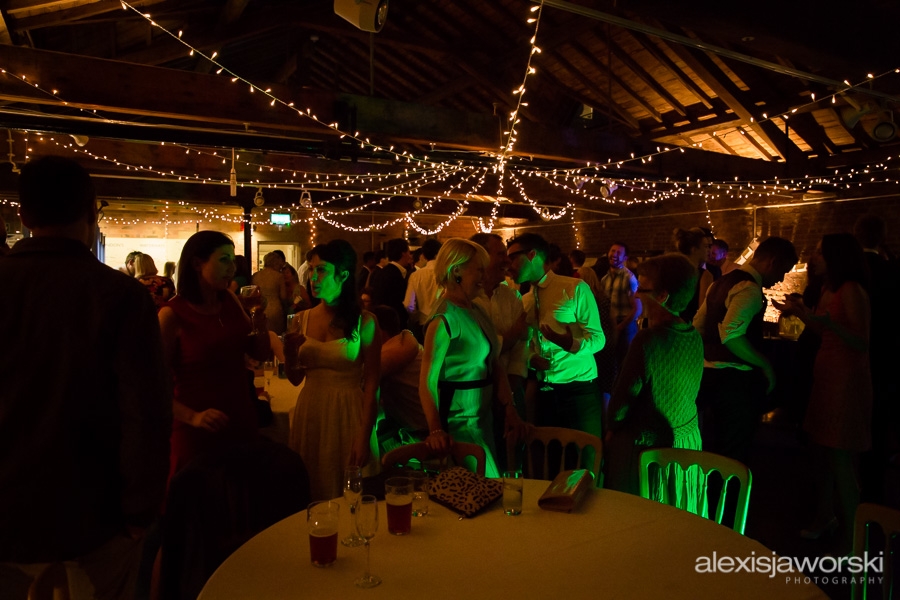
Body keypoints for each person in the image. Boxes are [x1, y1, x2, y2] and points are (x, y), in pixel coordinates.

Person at [0, 156, 171, 599]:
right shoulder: (120, 295)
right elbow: (146, 411)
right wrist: (140, 511)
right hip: (92, 518)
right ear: (91, 213)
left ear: (24, 215)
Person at [775, 234, 872, 550]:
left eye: (819, 252)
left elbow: (861, 341)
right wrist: (802, 313)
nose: (813, 257)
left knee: (840, 455)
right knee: (821, 452)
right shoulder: (828, 288)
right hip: (826, 374)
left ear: (836, 256)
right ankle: (825, 516)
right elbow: (821, 330)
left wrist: (826, 323)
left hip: (846, 380)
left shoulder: (851, 289)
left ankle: (853, 538)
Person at [158, 231, 271, 480]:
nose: (232, 268)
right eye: (223, 260)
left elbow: (260, 353)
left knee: (242, 494)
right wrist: (193, 417)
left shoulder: (230, 300)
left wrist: (260, 320)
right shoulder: (172, 314)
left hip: (240, 418)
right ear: (197, 264)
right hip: (197, 428)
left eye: (232, 259)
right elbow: (152, 384)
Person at [419, 238, 525, 478]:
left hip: (483, 418)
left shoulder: (476, 310)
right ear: (456, 270)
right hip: (459, 423)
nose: (483, 276)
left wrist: (509, 408)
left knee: (490, 484)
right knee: (487, 483)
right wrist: (435, 430)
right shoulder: (443, 319)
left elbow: (494, 363)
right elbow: (427, 382)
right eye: (478, 270)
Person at [285, 240, 381, 501]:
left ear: (343, 274)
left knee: (349, 493)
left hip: (348, 411)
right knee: (312, 488)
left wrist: (364, 435)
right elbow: (295, 379)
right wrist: (290, 353)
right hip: (311, 409)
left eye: (322, 270)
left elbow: (373, 382)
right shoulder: (301, 319)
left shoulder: (364, 321)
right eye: (311, 269)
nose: (313, 277)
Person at [605, 253, 703, 505]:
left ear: (662, 296)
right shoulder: (693, 335)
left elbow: (621, 403)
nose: (635, 295)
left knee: (642, 513)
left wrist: (612, 429)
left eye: (641, 288)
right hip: (686, 441)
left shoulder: (647, 340)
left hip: (650, 449)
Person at [693, 236, 798, 463]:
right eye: (783, 271)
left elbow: (698, 327)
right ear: (772, 262)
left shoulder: (719, 283)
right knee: (733, 453)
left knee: (711, 448)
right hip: (735, 382)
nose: (781, 279)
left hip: (707, 375)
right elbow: (731, 335)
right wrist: (765, 364)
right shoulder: (749, 288)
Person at [507, 233, 605, 444]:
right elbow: (527, 343)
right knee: (550, 456)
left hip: (579, 389)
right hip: (544, 392)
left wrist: (570, 344)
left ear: (532, 255)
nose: (509, 265)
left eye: (513, 258)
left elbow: (598, 339)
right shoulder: (524, 299)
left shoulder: (574, 288)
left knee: (586, 454)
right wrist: (531, 357)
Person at [370, 305, 427, 455]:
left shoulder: (388, 353)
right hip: (428, 424)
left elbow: (360, 380)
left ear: (378, 331)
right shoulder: (404, 341)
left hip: (421, 433)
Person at [600, 242, 641, 370]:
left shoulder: (629, 278)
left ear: (625, 258)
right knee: (611, 364)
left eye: (619, 253)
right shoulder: (604, 279)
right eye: (612, 251)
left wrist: (619, 327)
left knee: (625, 364)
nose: (614, 254)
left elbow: (638, 309)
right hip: (609, 325)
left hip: (625, 326)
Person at [403, 238, 441, 342]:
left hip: (423, 323)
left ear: (423, 256)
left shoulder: (416, 276)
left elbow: (409, 304)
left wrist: (416, 317)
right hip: (444, 323)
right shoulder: (446, 273)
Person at [673, 227, 714, 324]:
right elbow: (702, 313)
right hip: (690, 327)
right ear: (694, 249)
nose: (709, 250)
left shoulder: (672, 271)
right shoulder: (704, 275)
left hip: (671, 326)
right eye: (705, 246)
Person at [369, 237, 413, 327]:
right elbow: (398, 302)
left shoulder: (383, 272)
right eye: (409, 252)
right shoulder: (395, 275)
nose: (410, 256)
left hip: (381, 322)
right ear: (403, 253)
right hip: (392, 324)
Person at [252, 251, 288, 335]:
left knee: (261, 335)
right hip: (275, 310)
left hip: (260, 309)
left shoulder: (256, 276)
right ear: (275, 263)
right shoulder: (279, 276)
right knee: (276, 336)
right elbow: (283, 296)